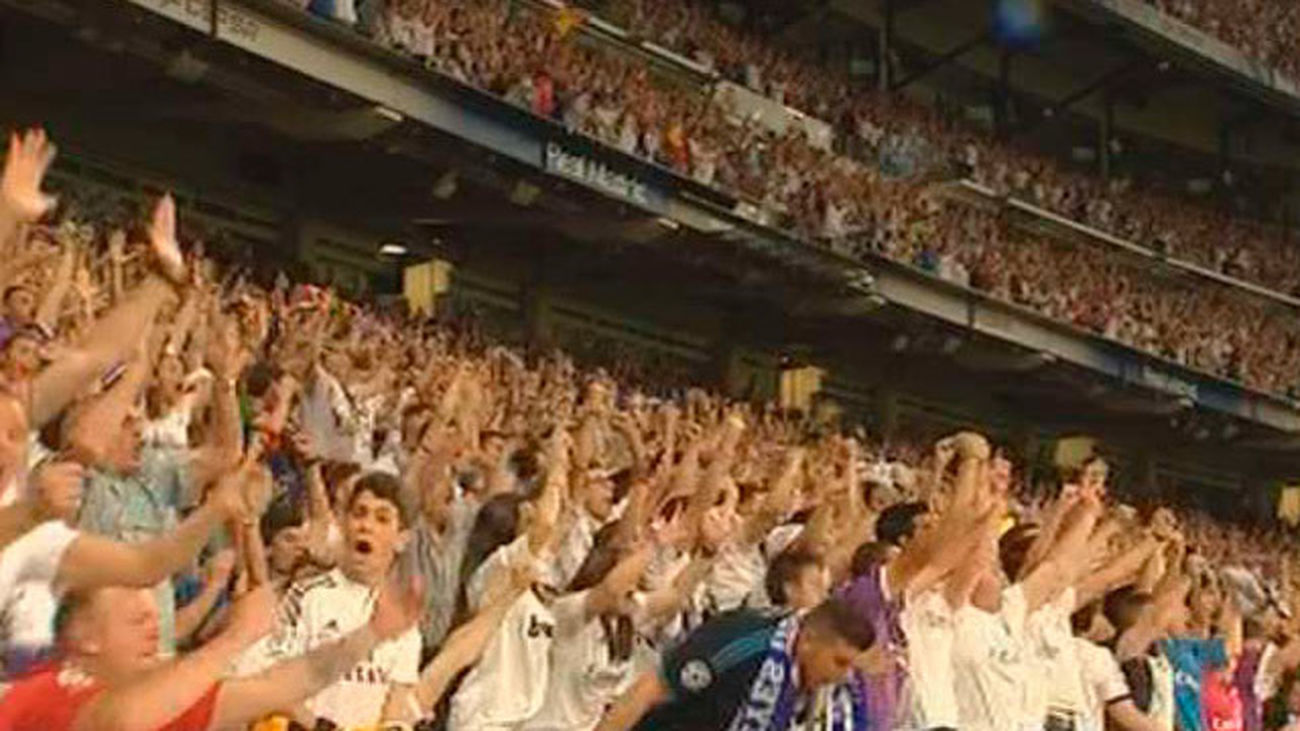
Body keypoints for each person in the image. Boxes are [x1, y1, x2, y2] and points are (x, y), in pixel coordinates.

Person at [0, 576, 422, 730]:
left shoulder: (165, 695)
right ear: (85, 638)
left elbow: (279, 685)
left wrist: (372, 634)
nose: (155, 631)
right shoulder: (44, 693)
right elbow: (121, 721)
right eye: (136, 621)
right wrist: (235, 638)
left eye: (154, 619)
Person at [230, 471, 421, 728]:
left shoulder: (403, 622)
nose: (366, 525)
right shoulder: (308, 596)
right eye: (359, 513)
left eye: (382, 519)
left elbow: (397, 705)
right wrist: (316, 725)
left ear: (401, 539)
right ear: (343, 525)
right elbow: (270, 680)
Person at [593, 596, 874, 731]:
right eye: (839, 662)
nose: (842, 676)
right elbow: (647, 691)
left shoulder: (821, 687)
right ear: (809, 641)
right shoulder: (740, 643)